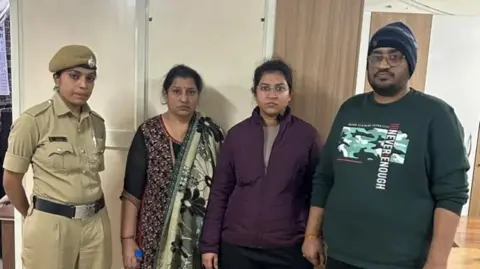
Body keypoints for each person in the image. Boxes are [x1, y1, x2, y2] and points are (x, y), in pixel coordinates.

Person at [302, 22, 470, 269]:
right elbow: (324, 177)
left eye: (394, 57)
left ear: (410, 63)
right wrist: (312, 235)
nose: (383, 64)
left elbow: (451, 193)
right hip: (340, 254)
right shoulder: (350, 109)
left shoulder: (436, 115)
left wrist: (437, 260)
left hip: (401, 260)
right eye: (376, 57)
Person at [200, 59, 321, 269]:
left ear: (289, 94)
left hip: (289, 248)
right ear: (255, 93)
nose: (272, 95)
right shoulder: (237, 136)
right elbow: (220, 192)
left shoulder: (307, 136)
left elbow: (318, 192)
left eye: (279, 88)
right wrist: (209, 244)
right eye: (265, 88)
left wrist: (314, 236)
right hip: (237, 247)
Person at [3, 44, 111, 269]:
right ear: (57, 78)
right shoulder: (33, 121)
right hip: (51, 225)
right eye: (75, 76)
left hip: (95, 223)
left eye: (90, 78)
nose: (83, 84)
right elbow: (11, 180)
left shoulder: (97, 124)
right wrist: (33, 217)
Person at [120, 64, 224, 269]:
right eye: (177, 91)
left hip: (199, 239)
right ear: (166, 94)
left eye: (191, 92)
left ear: (198, 95)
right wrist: (127, 240)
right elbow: (132, 192)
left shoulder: (212, 134)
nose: (184, 98)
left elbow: (222, 193)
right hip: (152, 236)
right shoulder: (148, 132)